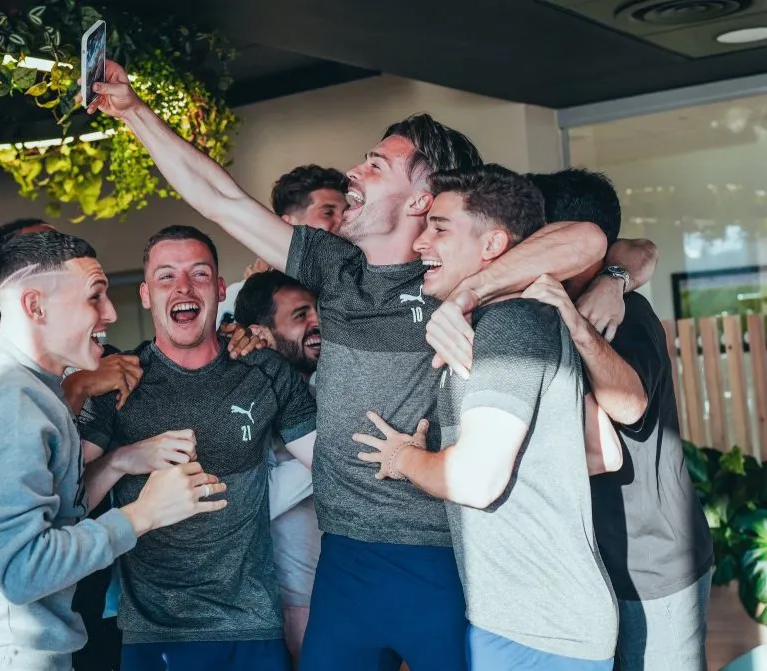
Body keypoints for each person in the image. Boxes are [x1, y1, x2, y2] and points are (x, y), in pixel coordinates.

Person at [89, 61, 612, 671]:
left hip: (438, 556)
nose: (352, 174)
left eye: (375, 164)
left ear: (421, 198)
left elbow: (590, 239)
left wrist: (487, 293)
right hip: (342, 560)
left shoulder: (455, 274)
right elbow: (220, 199)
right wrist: (133, 112)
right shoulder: (333, 269)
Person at [0, 229, 227, 671]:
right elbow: (25, 570)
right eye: (94, 297)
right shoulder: (9, 396)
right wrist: (146, 513)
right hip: (3, 655)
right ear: (34, 305)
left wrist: (121, 461)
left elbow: (53, 515)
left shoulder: (4, 372)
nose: (111, 313)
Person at [353, 164, 619, 669]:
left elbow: (476, 481)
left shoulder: (505, 327)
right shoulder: (525, 316)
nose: (419, 244)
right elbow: (599, 450)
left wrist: (404, 457)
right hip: (558, 620)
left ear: (493, 244)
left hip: (531, 627)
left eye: (440, 228)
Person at [77, 226, 318, 671]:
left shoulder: (262, 369)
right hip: (154, 633)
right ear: (146, 295)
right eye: (166, 277)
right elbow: (71, 504)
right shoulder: (119, 381)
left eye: (199, 274)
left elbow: (327, 465)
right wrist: (120, 460)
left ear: (220, 289)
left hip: (251, 626)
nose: (183, 287)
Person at [521, 169, 714, 671]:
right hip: (594, 565)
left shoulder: (629, 313)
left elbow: (628, 407)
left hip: (653, 565)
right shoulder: (564, 302)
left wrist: (581, 327)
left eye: (540, 236)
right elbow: (637, 249)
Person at [233, 270, 321, 665]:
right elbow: (252, 501)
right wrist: (343, 440)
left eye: (318, 312)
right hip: (294, 598)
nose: (317, 323)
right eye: (301, 315)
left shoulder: (329, 384)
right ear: (261, 334)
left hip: (354, 587)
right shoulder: (249, 401)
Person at [218, 165, 347, 326]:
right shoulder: (235, 297)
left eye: (346, 213)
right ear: (288, 225)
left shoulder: (356, 287)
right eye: (328, 213)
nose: (343, 222)